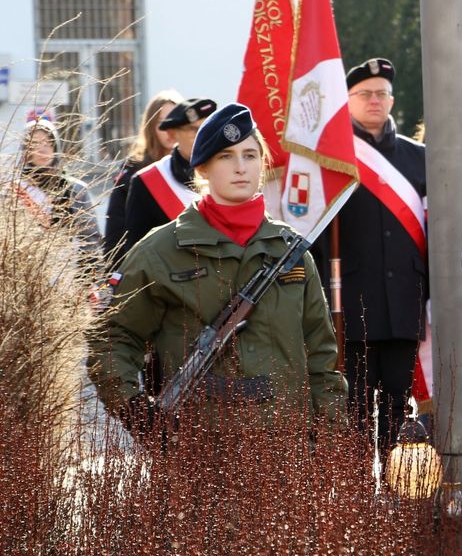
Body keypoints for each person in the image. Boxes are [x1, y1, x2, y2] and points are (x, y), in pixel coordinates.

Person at [89, 103, 346, 438]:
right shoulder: (161, 250)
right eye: (226, 156)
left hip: (286, 453)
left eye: (250, 155)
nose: (241, 167)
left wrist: (329, 440)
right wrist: (137, 412)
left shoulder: (290, 251)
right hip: (196, 452)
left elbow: (321, 356)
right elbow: (113, 338)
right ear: (203, 168)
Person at [311, 57, 427, 453]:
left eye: (382, 93)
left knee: (398, 406)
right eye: (365, 94)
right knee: (354, 407)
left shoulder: (418, 157)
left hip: (405, 304)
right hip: (352, 303)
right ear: (348, 100)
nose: (375, 100)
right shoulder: (333, 158)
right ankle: (359, 498)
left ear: (392, 100)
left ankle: (396, 492)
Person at [119, 98, 217, 261]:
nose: (203, 137)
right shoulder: (146, 182)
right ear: (172, 134)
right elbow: (136, 253)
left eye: (208, 129)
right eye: (194, 130)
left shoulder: (228, 173)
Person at [103, 89, 183, 267]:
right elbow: (116, 236)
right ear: (151, 126)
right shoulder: (133, 172)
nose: (170, 130)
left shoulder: (200, 170)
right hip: (147, 271)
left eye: (176, 122)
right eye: (163, 123)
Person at [9, 117, 100, 255]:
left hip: (71, 269)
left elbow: (90, 239)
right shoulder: (14, 192)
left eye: (47, 143)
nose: (43, 150)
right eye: (35, 144)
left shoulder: (76, 189)